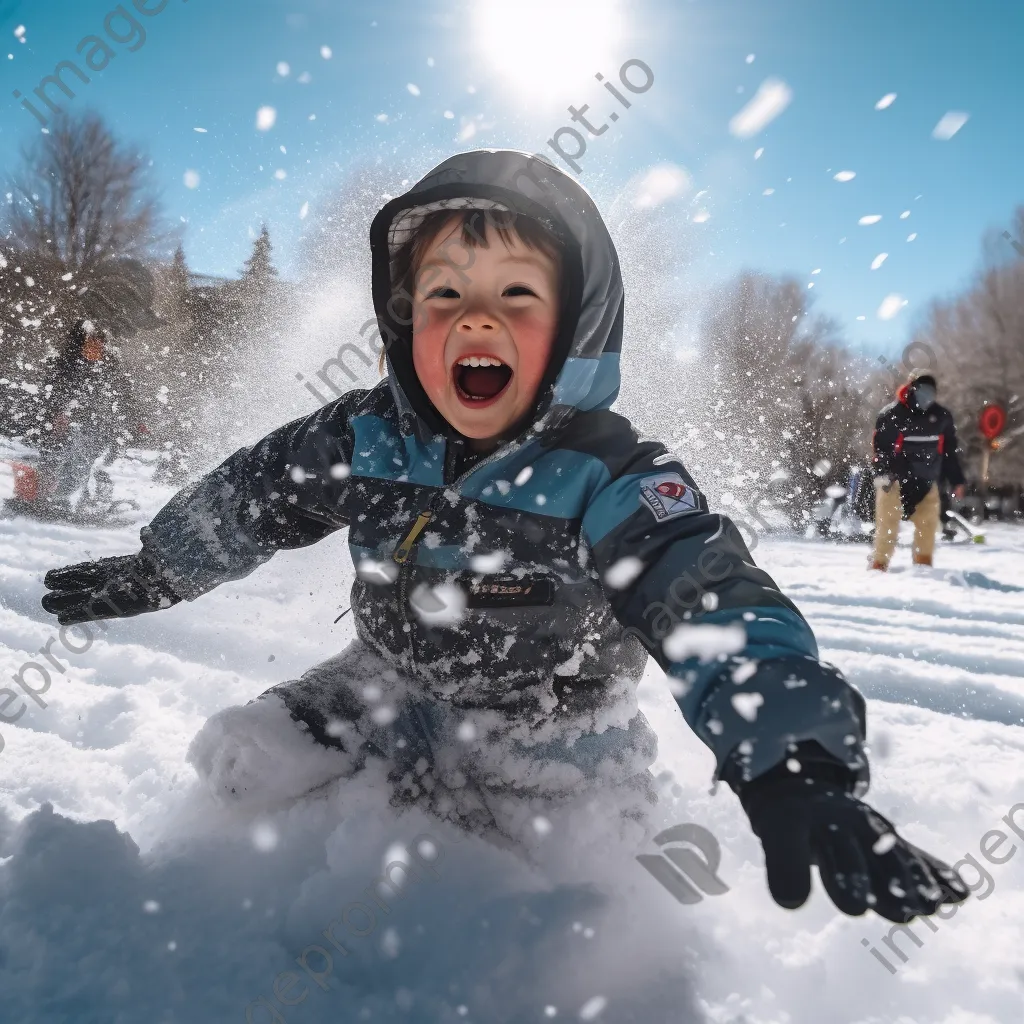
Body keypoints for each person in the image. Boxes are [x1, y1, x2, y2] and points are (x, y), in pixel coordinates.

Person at [40, 150, 967, 924]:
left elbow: (711, 598)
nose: (475, 319)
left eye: (516, 294)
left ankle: (566, 937)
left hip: (556, 724)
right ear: (407, 323)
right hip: (384, 681)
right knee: (248, 761)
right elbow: (261, 491)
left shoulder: (614, 475)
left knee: (542, 902)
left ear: (576, 330)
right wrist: (167, 564)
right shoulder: (368, 435)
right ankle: (230, 889)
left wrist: (792, 753)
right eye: (443, 293)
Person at [30, 319, 147, 515]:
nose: (97, 344)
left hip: (97, 423)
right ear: (81, 341)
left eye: (100, 340)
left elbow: (124, 393)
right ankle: (56, 500)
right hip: (68, 424)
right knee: (62, 461)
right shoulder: (66, 364)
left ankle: (81, 501)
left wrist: (136, 419)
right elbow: (53, 391)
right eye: (92, 340)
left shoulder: (109, 364)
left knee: (89, 463)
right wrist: (59, 413)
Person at [870, 370, 966, 570]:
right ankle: (879, 564)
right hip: (894, 480)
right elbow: (880, 449)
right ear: (912, 388)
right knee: (887, 524)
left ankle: (923, 565)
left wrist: (956, 480)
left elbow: (949, 452)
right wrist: (884, 473)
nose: (927, 394)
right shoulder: (892, 414)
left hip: (925, 479)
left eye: (931, 390)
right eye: (923, 389)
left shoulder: (941, 417)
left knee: (928, 523)